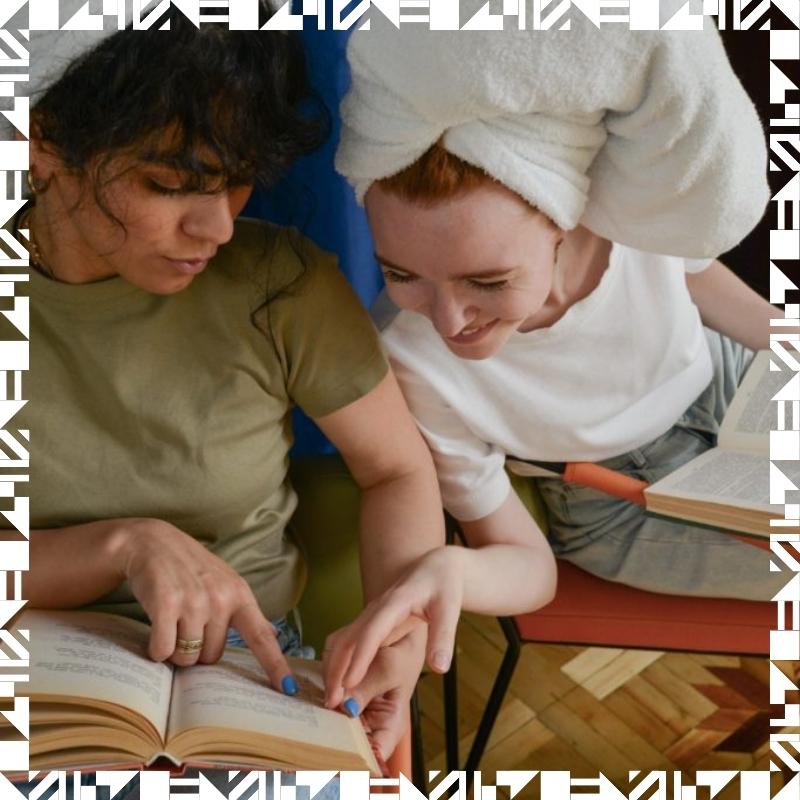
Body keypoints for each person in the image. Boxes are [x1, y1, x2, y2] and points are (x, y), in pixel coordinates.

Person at [11, 5, 444, 772]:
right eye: (171, 184)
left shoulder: (281, 285)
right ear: (43, 140)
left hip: (248, 674)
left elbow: (397, 470)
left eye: (239, 179)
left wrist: (398, 628)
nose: (216, 227)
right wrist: (120, 547)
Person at [324, 11, 782, 695]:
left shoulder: (628, 219)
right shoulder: (410, 363)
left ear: (564, 229)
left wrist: (787, 339)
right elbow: (527, 568)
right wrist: (453, 569)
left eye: (488, 281)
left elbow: (697, 280)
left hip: (723, 384)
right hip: (609, 502)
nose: (450, 321)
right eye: (401, 273)